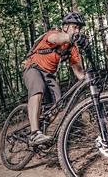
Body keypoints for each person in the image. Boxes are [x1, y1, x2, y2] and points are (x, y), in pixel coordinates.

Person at [22, 12, 89, 146]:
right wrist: (71, 37)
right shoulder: (53, 34)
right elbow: (58, 39)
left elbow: (78, 70)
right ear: (65, 26)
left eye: (79, 28)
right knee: (37, 88)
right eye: (75, 27)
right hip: (33, 68)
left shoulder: (72, 49)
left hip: (50, 75)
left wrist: (90, 79)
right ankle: (35, 133)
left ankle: (39, 126)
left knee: (58, 105)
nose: (77, 30)